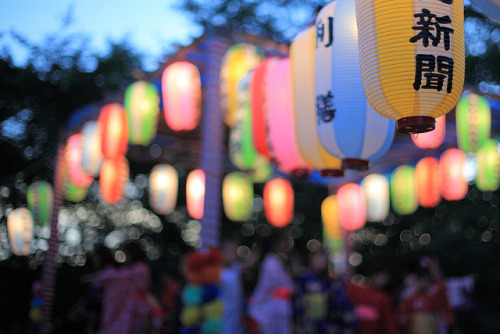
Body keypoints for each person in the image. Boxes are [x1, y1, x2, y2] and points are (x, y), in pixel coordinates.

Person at [93, 242, 154, 334]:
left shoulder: (140, 268)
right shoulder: (134, 269)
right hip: (135, 307)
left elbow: (120, 275)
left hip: (138, 308)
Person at [295, 248, 358, 334]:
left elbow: (342, 305)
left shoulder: (333, 282)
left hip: (329, 326)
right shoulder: (302, 281)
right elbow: (297, 305)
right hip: (308, 326)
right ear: (311, 260)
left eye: (323, 258)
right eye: (318, 258)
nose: (321, 261)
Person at [248, 231, 294, 334]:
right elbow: (265, 286)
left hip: (279, 308)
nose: (286, 244)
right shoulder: (270, 261)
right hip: (271, 308)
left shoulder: (278, 260)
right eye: (283, 241)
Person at [397, 267, 454, 334]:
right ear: (418, 281)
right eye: (421, 281)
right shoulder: (412, 295)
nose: (423, 283)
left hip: (434, 327)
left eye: (425, 281)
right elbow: (404, 312)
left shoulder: (437, 292)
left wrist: (445, 319)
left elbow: (444, 308)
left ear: (429, 281)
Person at [347, 268, 397, 334]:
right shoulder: (356, 290)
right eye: (381, 277)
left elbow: (388, 321)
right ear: (374, 276)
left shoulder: (384, 298)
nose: (384, 280)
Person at [220, 240, 244, 334]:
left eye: (235, 250)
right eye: (231, 250)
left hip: (236, 319)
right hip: (223, 319)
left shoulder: (236, 267)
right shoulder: (217, 273)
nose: (234, 254)